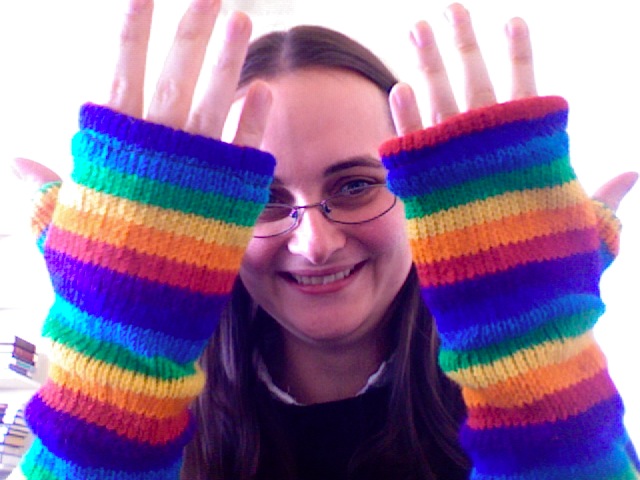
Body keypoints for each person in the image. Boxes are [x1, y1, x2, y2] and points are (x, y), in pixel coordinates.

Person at [9, 0, 640, 478]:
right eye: (264, 198)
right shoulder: (158, 395)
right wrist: (112, 377)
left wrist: (538, 373)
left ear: (425, 199)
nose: (314, 244)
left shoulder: (520, 365)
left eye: (356, 185)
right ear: (201, 226)